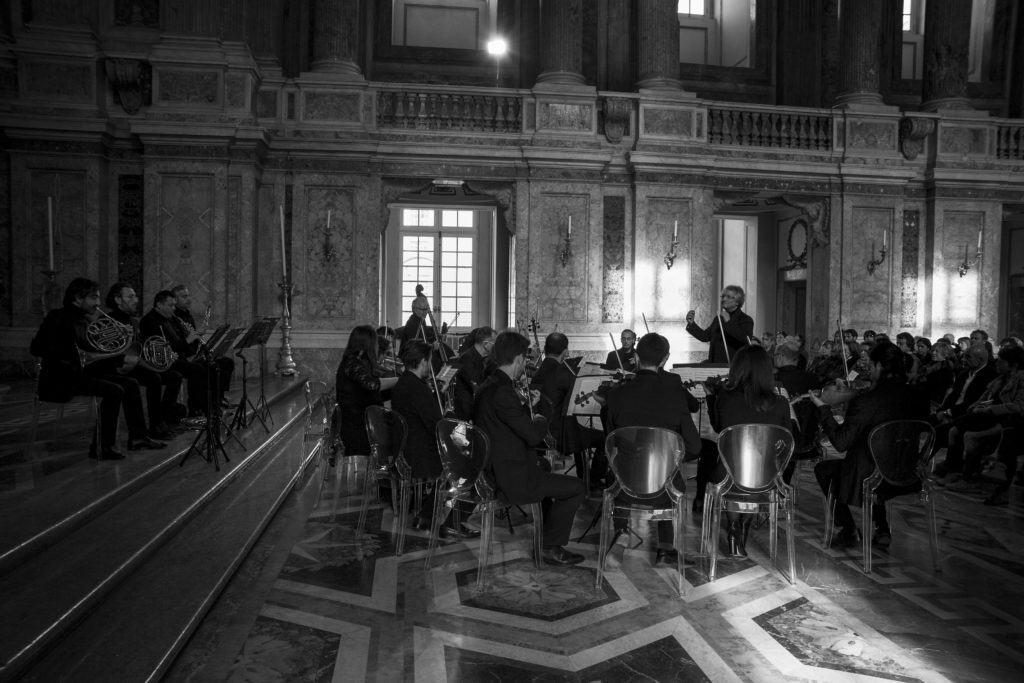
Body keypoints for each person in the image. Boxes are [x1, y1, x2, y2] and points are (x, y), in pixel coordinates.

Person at [473, 331, 586, 565]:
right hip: (510, 476)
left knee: (545, 467)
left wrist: (528, 407)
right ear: (517, 358)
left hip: (494, 465)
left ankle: (546, 532)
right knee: (576, 487)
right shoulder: (504, 392)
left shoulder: (489, 385)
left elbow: (509, 424)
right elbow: (534, 436)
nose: (525, 365)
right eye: (525, 359)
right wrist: (542, 414)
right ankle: (551, 547)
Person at [810, 341, 929, 548]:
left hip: (871, 477)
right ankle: (881, 527)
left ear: (880, 366)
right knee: (878, 460)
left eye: (872, 366)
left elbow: (840, 442)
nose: (870, 370)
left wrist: (823, 409)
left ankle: (849, 530)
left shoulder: (867, 401)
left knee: (825, 469)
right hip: (909, 472)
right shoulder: (919, 396)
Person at [31, 278, 164, 460]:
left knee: (130, 384)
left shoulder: (84, 321)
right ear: (78, 298)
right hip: (60, 378)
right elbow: (36, 348)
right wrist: (69, 350)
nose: (98, 303)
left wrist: (120, 353)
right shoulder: (57, 317)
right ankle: (102, 447)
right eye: (94, 298)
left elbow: (95, 354)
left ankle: (138, 438)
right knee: (114, 390)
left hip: (79, 374)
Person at [605, 332, 702, 562]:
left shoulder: (616, 394)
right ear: (665, 359)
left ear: (636, 357)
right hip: (663, 482)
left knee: (619, 466)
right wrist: (671, 458)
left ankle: (620, 532)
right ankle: (666, 546)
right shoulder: (675, 395)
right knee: (669, 471)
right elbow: (695, 446)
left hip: (625, 481)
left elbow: (611, 441)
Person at [705, 344, 792, 557]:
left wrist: (710, 398)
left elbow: (719, 428)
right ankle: (742, 526)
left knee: (735, 468)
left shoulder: (725, 397)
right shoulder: (780, 403)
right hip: (767, 478)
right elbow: (787, 440)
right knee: (757, 471)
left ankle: (734, 528)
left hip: (729, 475)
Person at [390, 340, 479, 539]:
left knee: (461, 455)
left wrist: (439, 395)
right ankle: (450, 522)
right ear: (423, 361)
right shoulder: (418, 389)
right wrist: (458, 429)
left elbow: (424, 412)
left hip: (406, 448)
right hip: (420, 454)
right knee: (466, 465)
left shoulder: (404, 383)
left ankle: (426, 515)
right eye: (429, 361)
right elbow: (436, 426)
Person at [105, 281, 183, 439]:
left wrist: (164, 354)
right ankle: (153, 427)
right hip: (117, 366)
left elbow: (142, 347)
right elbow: (109, 350)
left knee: (174, 376)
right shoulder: (109, 320)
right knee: (154, 378)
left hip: (133, 364)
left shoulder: (132, 321)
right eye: (131, 296)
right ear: (118, 300)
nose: (136, 300)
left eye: (136, 296)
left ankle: (162, 421)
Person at [940, 346, 1024, 492]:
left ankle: (969, 478)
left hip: (1008, 423)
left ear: (1014, 364)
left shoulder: (1021, 379)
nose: (997, 364)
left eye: (1002, 361)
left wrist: (988, 410)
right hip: (989, 418)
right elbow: (985, 398)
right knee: (954, 430)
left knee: (971, 436)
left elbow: (1018, 406)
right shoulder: (1000, 379)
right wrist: (976, 407)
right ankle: (954, 469)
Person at [533, 332, 608, 489]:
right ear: (566, 352)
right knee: (605, 438)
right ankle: (593, 480)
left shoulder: (538, 371)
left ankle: (583, 476)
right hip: (560, 432)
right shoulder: (561, 372)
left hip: (540, 429)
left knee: (581, 432)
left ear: (546, 350)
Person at [140, 290, 212, 418]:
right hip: (161, 361)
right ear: (159, 305)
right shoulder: (149, 321)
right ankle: (194, 411)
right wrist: (188, 340)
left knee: (206, 364)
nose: (174, 309)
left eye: (174, 305)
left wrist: (193, 342)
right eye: (170, 305)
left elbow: (179, 344)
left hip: (176, 357)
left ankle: (206, 406)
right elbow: (160, 350)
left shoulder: (171, 319)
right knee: (195, 369)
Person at [335, 324, 399, 456]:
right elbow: (372, 385)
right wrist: (398, 380)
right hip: (355, 422)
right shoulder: (352, 363)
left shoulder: (356, 361)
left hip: (360, 417)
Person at [171, 284, 234, 407]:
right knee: (208, 367)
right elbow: (178, 342)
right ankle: (203, 404)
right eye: (184, 297)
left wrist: (199, 340)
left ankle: (218, 398)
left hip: (193, 353)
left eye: (188, 295)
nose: (188, 299)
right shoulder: (173, 317)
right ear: (174, 299)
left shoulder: (187, 315)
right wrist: (193, 337)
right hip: (183, 356)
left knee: (226, 362)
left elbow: (194, 341)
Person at [684, 285, 754, 364]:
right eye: (723, 296)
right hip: (715, 364)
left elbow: (745, 339)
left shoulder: (746, 320)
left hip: (734, 366)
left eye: (728, 297)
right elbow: (705, 336)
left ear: (737, 302)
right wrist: (692, 324)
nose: (724, 299)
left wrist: (728, 322)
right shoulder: (718, 319)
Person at [452, 326, 496, 420]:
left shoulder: (483, 358)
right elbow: (478, 383)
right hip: (467, 412)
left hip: (477, 407)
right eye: (494, 343)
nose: (495, 346)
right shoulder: (467, 358)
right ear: (485, 344)